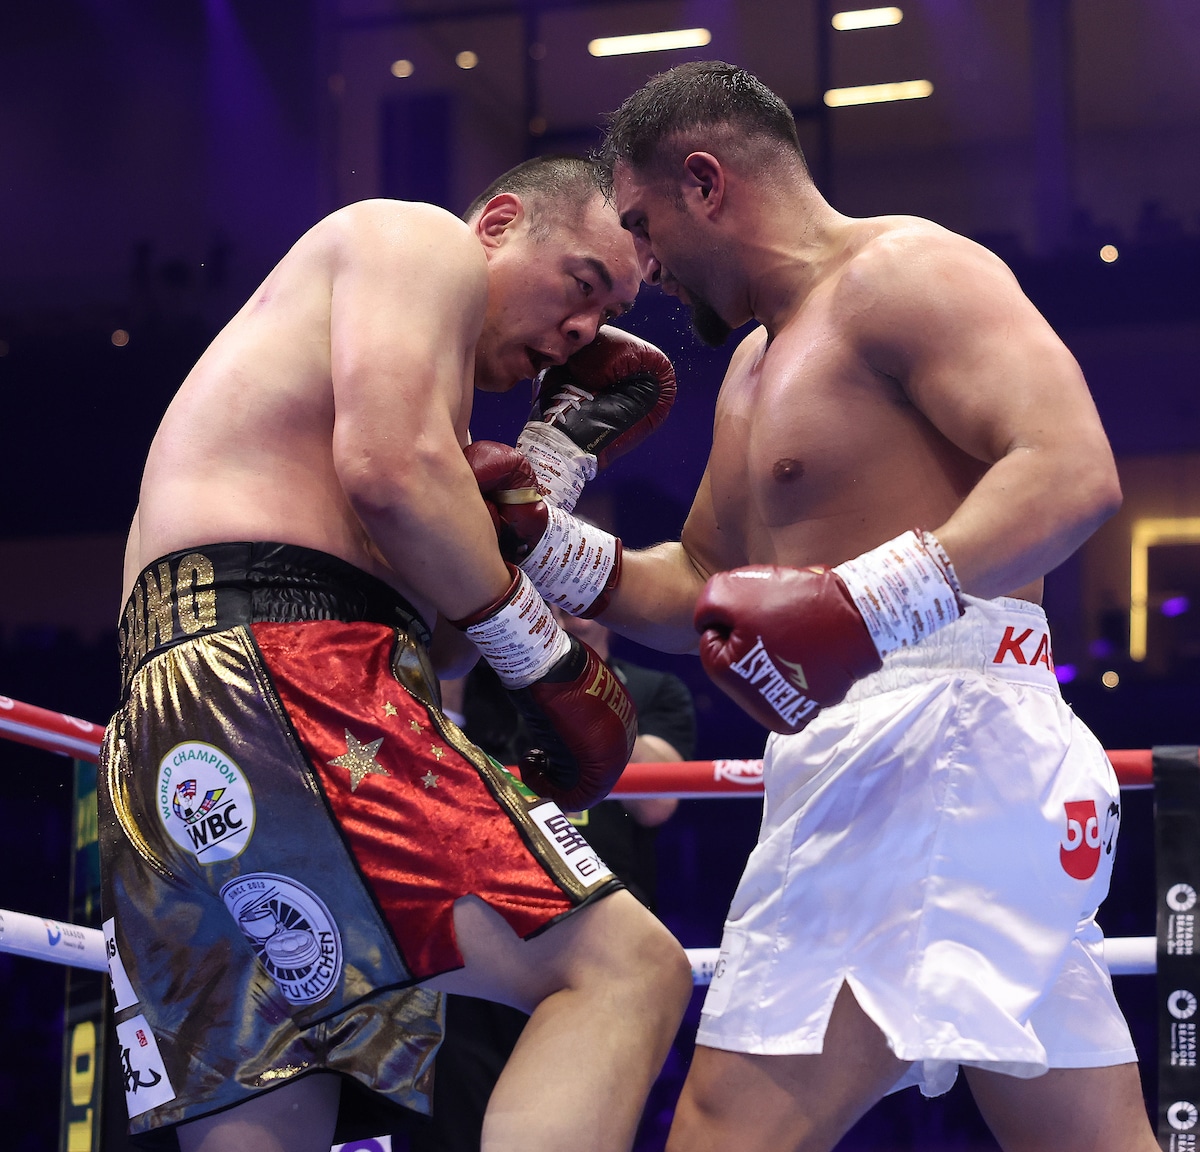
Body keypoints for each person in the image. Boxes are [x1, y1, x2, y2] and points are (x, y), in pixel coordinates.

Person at [471, 63, 1158, 1152]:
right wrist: (539, 542)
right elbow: (701, 585)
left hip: (937, 743)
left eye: (644, 227)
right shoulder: (753, 363)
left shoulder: (908, 272)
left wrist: (868, 602)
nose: (642, 271)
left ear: (707, 182)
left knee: (720, 1130)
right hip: (913, 759)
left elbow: (1073, 473)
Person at [98, 154, 694, 1152]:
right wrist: (546, 658)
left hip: (173, 725)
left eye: (604, 315)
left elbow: (438, 646)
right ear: (501, 222)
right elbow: (389, 475)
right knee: (630, 970)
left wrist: (543, 474)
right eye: (584, 284)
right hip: (284, 675)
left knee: (277, 1109)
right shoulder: (417, 240)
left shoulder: (398, 393)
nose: (582, 333)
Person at [411, 609, 696, 1151]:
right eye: (552, 604)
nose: (568, 618)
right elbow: (438, 731)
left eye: (579, 604)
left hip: (607, 922)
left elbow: (658, 800)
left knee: (592, 1104)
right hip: (500, 924)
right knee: (461, 1108)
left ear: (608, 616)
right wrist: (503, 647)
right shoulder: (497, 686)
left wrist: (581, 698)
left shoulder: (655, 688)